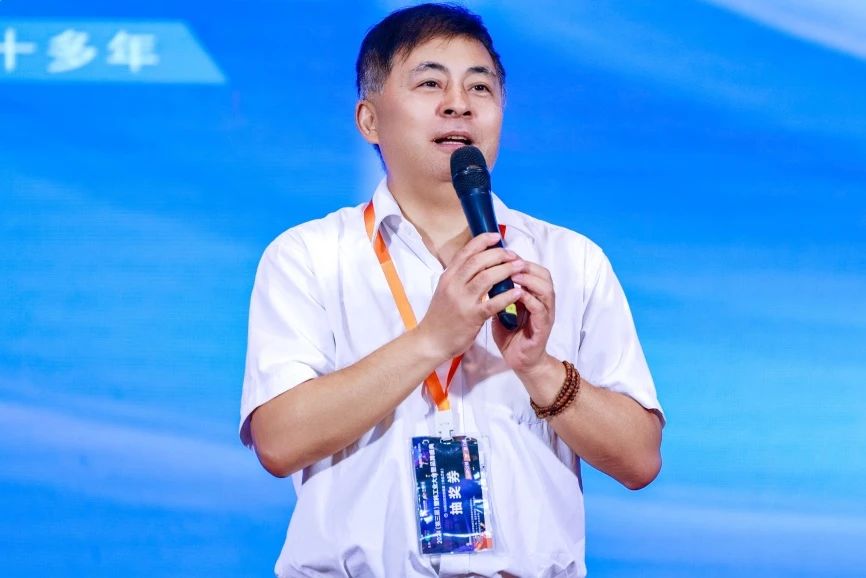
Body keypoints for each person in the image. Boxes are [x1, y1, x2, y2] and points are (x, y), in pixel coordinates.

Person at [239, 4, 664, 577]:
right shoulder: (309, 256)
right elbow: (279, 441)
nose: (459, 103)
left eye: (479, 86)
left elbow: (639, 459)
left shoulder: (570, 259)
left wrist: (539, 369)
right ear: (369, 120)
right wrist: (433, 339)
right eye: (430, 83)